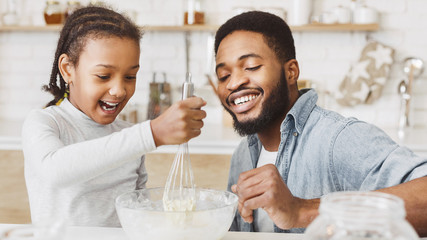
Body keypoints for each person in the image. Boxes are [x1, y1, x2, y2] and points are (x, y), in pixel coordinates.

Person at [214, 11, 427, 236]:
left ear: (291, 72)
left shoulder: (337, 139)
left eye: (251, 66)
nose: (234, 83)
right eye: (224, 76)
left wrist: (301, 209)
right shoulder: (242, 155)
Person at [22, 5, 206, 227]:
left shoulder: (128, 136)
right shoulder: (45, 123)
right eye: (103, 76)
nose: (119, 90)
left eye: (130, 76)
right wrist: (152, 133)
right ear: (68, 69)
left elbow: (138, 211)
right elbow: (54, 171)